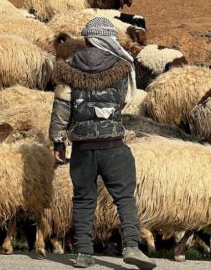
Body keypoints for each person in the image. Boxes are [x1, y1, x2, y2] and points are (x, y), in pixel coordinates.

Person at [49, 18, 156, 270]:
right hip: (113, 145)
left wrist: (58, 142)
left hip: (83, 147)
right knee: (124, 197)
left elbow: (61, 109)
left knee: (84, 198)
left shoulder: (67, 68)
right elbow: (124, 101)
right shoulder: (121, 68)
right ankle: (131, 245)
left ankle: (84, 253)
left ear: (87, 40)